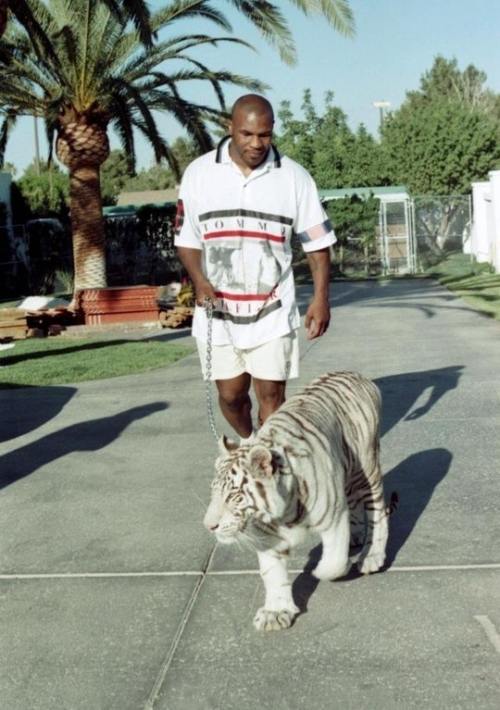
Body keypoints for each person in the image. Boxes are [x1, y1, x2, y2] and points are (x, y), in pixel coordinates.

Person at [174, 94, 336, 442]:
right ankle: (250, 445)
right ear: (230, 128)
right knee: (231, 396)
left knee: (273, 400)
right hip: (218, 310)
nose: (256, 143)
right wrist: (200, 281)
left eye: (264, 135)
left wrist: (321, 298)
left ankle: (270, 462)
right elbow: (187, 239)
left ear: (273, 131)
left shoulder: (294, 177)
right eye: (247, 134)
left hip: (272, 309)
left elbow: (318, 245)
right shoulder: (199, 174)